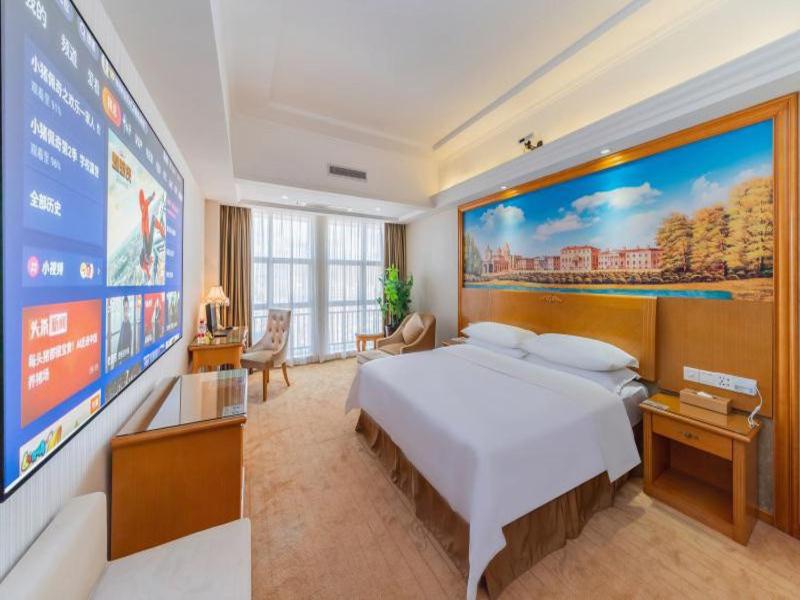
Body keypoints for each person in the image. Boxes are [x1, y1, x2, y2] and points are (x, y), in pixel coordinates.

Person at [138, 189, 166, 282]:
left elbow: (146, 206)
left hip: (145, 235)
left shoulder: (147, 254)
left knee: (147, 215)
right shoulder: (144, 212)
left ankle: (160, 229)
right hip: (145, 236)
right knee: (148, 216)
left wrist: (151, 197)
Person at [117, 296, 133, 363]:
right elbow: (120, 344)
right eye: (125, 308)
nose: (126, 311)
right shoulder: (122, 324)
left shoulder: (128, 325)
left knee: (127, 351)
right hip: (124, 326)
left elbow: (129, 344)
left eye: (127, 308)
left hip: (127, 327)